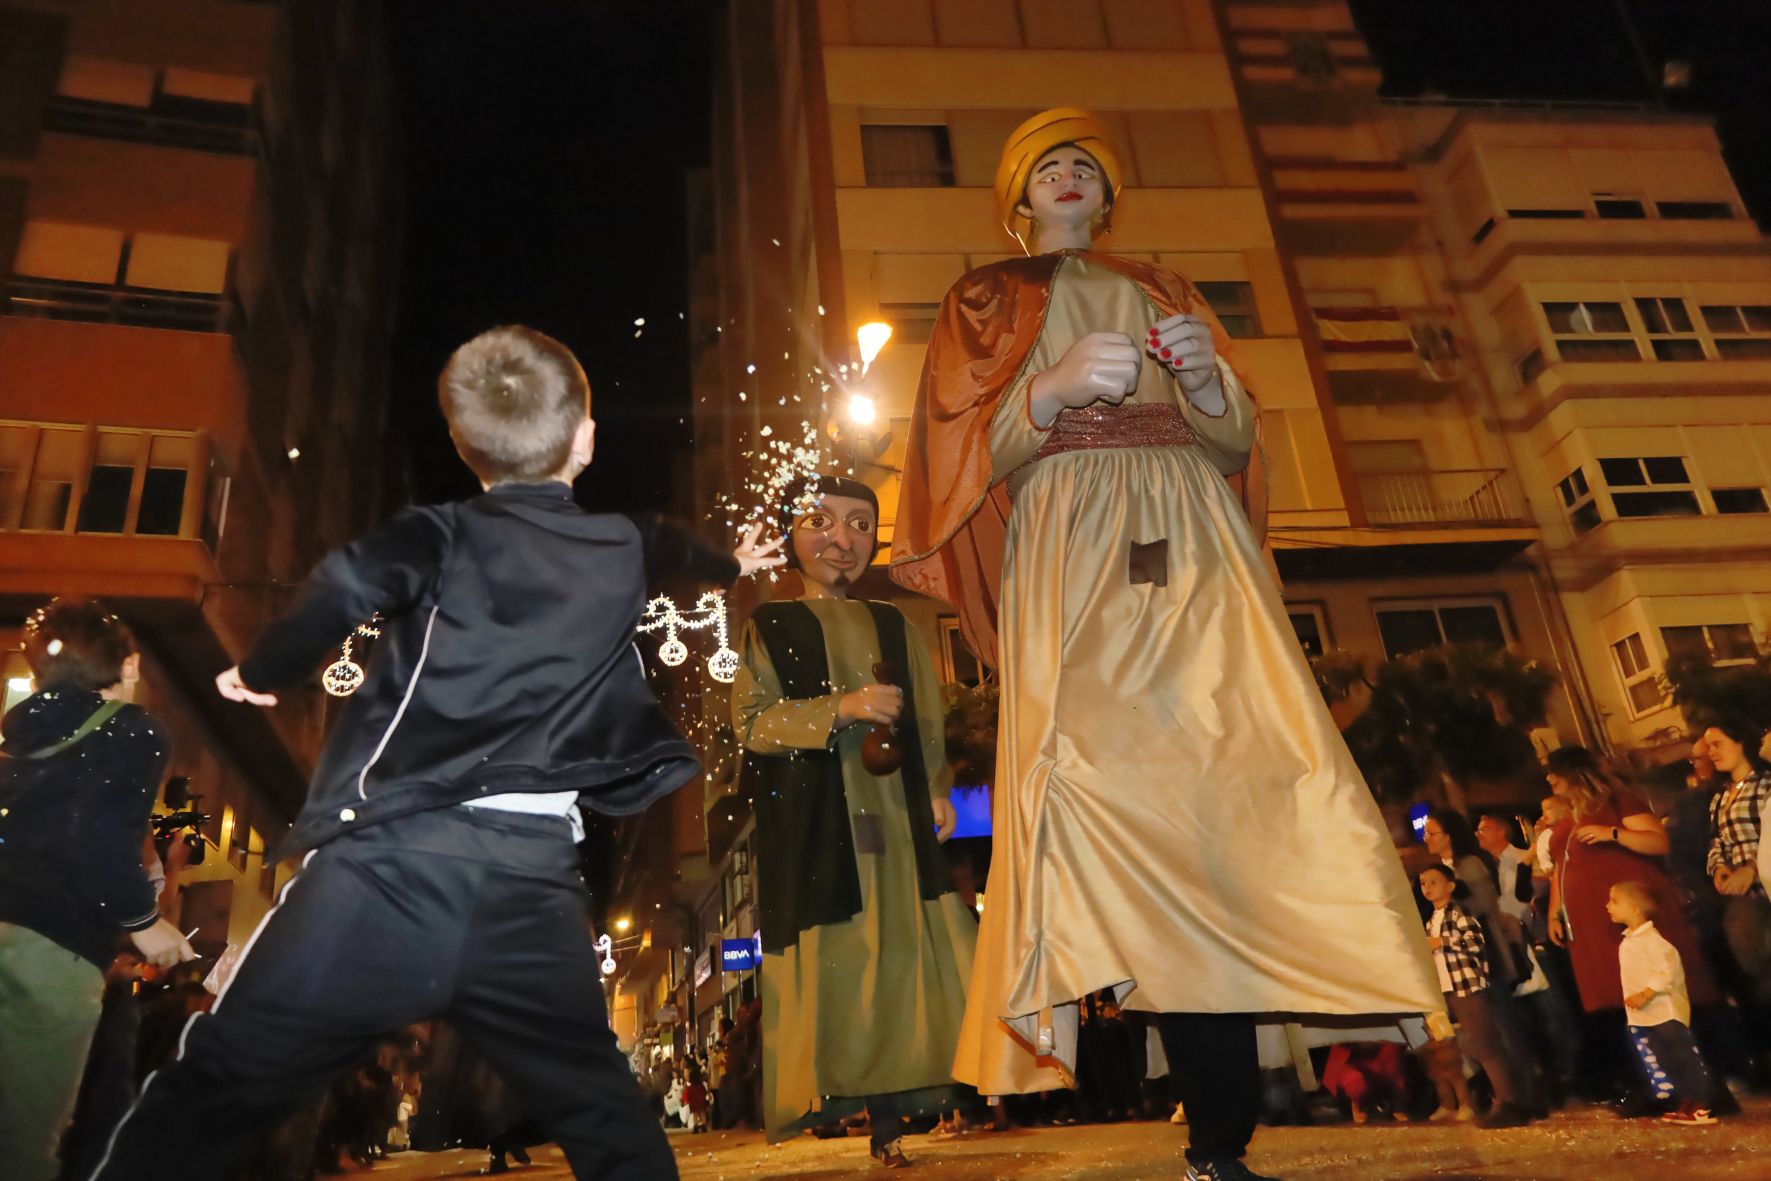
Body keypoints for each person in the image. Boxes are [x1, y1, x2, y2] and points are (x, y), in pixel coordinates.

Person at [87, 325, 784, 1181]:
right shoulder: (622, 544)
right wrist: (730, 561)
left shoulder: (439, 534)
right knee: (600, 1107)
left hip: (391, 860)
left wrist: (265, 667)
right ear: (586, 439)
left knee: (223, 1077)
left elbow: (345, 581)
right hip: (530, 879)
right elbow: (675, 544)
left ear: (467, 451)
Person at [889, 107, 1440, 1181]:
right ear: (1013, 195)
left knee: (1227, 785)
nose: (1066, 174)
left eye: (1084, 163)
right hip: (1070, 539)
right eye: (1045, 163)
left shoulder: (1171, 288)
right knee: (1099, 786)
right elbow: (952, 453)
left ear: (1107, 193)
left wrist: (1202, 386)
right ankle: (1171, 1069)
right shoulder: (983, 298)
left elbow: (1237, 436)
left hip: (1188, 531)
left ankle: (1220, 1134)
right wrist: (1043, 396)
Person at [733, 475, 974, 1168]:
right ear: (789, 537)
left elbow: (926, 716)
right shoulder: (767, 626)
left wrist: (934, 787)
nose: (843, 540)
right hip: (820, 827)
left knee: (901, 950)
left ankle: (895, 1113)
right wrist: (841, 708)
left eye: (861, 525)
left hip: (895, 822)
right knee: (846, 956)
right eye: (822, 521)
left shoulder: (895, 622)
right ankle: (861, 1104)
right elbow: (753, 725)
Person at [0, 597, 196, 1181]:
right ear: (130, 666)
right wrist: (144, 922)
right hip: (53, 947)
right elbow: (98, 829)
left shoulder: (18, 739)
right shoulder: (134, 730)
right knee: (25, 1133)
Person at [1544, 746, 1718, 1110]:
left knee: (1652, 995)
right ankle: (1650, 1083)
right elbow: (1561, 866)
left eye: (1554, 771)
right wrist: (1555, 911)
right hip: (1592, 924)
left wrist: (1613, 833)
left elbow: (1658, 841)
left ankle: (1694, 1086)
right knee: (1615, 1003)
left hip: (1629, 917)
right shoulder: (1565, 819)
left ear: (1575, 772)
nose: (1548, 779)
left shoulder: (1618, 802)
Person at [1418, 863, 1535, 1128]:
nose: (1427, 888)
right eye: (1423, 883)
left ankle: (1509, 1101)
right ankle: (1503, 1099)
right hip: (1451, 988)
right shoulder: (1433, 919)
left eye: (1433, 882)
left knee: (1484, 1043)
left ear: (1450, 885)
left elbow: (1474, 942)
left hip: (1467, 986)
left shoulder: (1458, 913)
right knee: (1476, 1044)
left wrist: (1444, 942)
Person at [1607, 882, 1718, 1124]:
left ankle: (1702, 1101)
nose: (1608, 906)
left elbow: (1667, 971)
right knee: (1664, 1057)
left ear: (1635, 909)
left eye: (1615, 901)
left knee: (1681, 1054)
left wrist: (1646, 993)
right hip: (1647, 1014)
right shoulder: (1630, 942)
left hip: (1665, 1011)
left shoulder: (1653, 942)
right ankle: (1686, 1099)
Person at [1702, 720, 1771, 1001]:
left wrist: (1752, 869)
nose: (1711, 753)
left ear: (1740, 742)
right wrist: (1718, 866)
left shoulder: (1765, 785)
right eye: (1708, 747)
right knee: (1756, 969)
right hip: (1742, 896)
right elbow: (1717, 838)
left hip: (1764, 886)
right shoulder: (1721, 796)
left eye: (1717, 744)